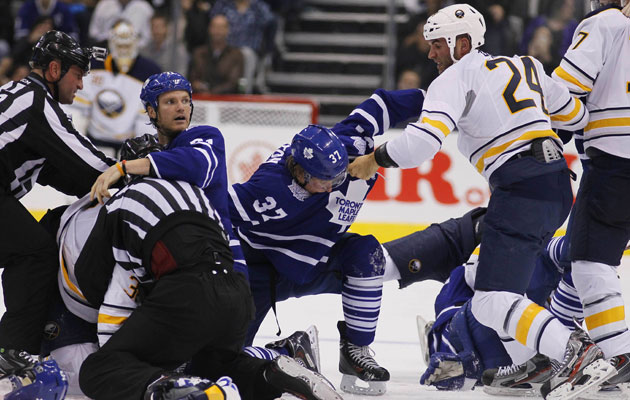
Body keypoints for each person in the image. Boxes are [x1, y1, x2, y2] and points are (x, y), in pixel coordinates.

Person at [348, 3, 613, 398]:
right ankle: (534, 359)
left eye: (437, 44)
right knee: (509, 290)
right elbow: (574, 116)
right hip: (557, 184)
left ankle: (575, 352)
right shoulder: (526, 64)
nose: (431, 53)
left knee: (492, 299)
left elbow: (421, 144)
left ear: (462, 43)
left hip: (520, 186)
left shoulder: (454, 78)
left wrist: (375, 159)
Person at [227, 87, 427, 396]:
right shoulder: (267, 190)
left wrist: (447, 101)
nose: (335, 184)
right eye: (326, 180)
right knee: (226, 362)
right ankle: (291, 352)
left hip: (314, 263)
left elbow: (385, 103)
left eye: (338, 178)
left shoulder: (350, 144)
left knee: (367, 255)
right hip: (260, 273)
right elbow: (211, 211)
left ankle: (356, 351)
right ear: (300, 172)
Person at [0, 30, 113, 379]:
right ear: (53, 69)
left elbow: (58, 170)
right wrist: (132, 172)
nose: (81, 85)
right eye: (78, 75)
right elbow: (82, 161)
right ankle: (12, 353)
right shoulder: (36, 103)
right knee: (35, 253)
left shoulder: (20, 95)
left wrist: (105, 182)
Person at [91, 71, 249, 306]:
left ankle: (288, 346)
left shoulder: (205, 137)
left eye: (185, 101)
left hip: (222, 262)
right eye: (170, 102)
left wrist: (123, 167)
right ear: (152, 111)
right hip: (174, 265)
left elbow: (195, 166)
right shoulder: (147, 153)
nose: (181, 108)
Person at [549, 0, 630, 390]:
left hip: (618, 161)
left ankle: (619, 355)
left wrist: (546, 140)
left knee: (589, 263)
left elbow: (564, 90)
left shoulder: (607, 21)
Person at [67, 19, 161, 157]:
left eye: (127, 46)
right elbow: (79, 111)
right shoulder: (93, 66)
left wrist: (141, 151)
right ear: (111, 42)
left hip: (131, 147)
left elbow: (146, 121)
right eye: (120, 46)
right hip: (95, 143)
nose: (124, 51)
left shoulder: (150, 72)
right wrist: (77, 146)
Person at [189, 14, 244, 95]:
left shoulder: (236, 55)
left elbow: (233, 83)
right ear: (209, 29)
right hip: (200, 100)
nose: (217, 30)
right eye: (214, 26)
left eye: (221, 27)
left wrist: (211, 93)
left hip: (226, 101)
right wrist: (196, 85)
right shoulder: (199, 53)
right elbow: (192, 79)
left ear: (227, 30)